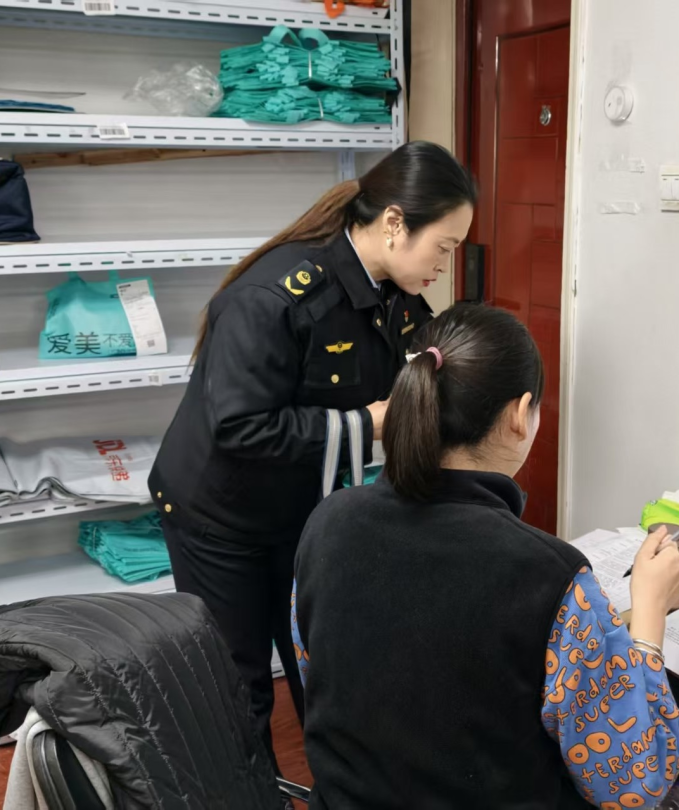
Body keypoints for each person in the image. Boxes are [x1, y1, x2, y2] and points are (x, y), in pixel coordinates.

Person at [148, 141, 477, 770]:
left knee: (325, 665)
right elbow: (240, 427)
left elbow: (423, 359)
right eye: (443, 247)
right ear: (394, 223)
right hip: (220, 518)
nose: (445, 264)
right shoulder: (277, 297)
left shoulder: (394, 292)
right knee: (239, 689)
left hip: (301, 510)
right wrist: (369, 423)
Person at [292, 304, 679, 809]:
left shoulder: (327, 523)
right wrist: (650, 614)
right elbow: (634, 784)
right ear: (519, 415)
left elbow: (319, 677)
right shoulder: (549, 577)